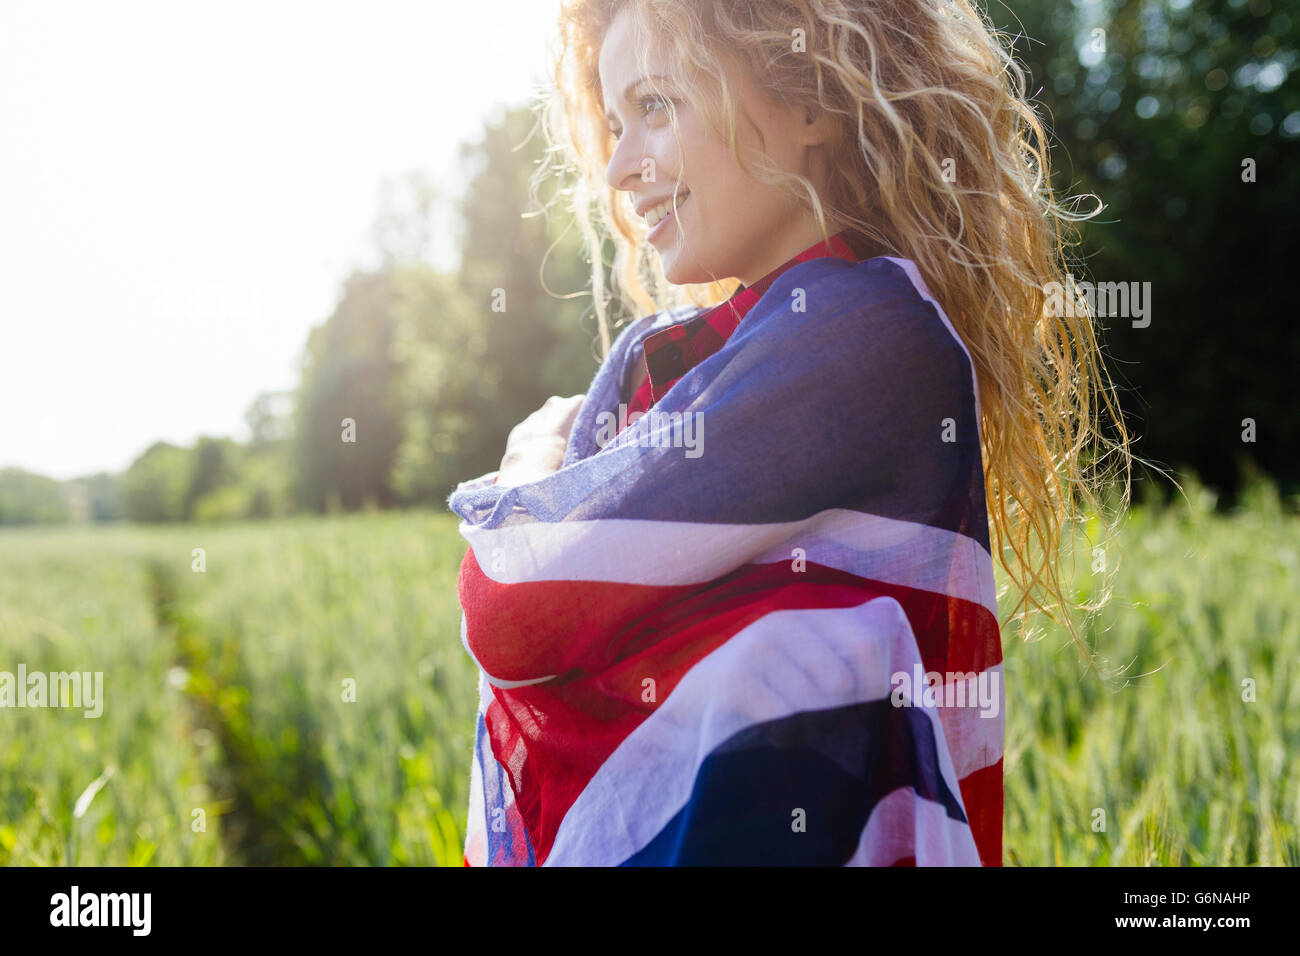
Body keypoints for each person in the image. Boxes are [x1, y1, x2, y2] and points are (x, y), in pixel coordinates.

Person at [448, 0, 1132, 866]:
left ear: (810, 103)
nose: (619, 167)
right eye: (615, 124)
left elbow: (513, 608)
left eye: (655, 106)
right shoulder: (684, 358)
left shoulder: (862, 330)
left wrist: (527, 466)